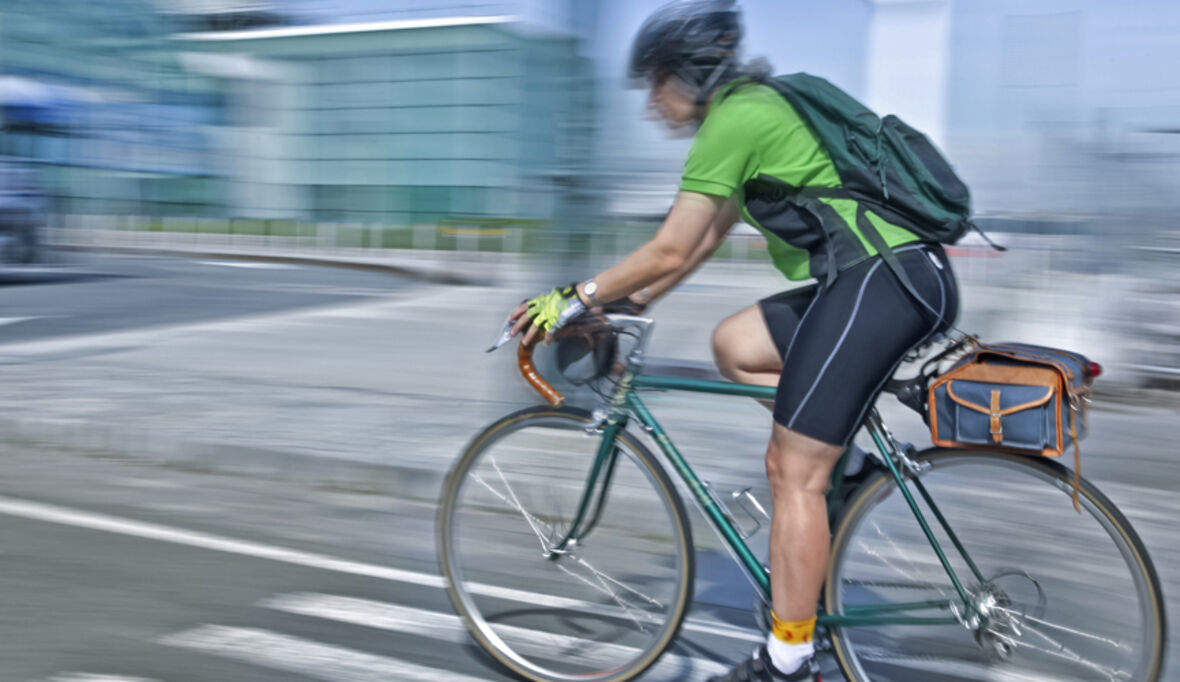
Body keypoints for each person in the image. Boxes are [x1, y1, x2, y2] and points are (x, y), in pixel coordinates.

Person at [508, 1, 960, 680]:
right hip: (887, 280)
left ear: (687, 76)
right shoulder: (753, 113)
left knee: (790, 470)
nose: (650, 105)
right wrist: (624, 307)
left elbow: (669, 248)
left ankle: (787, 660)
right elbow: (695, 248)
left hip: (883, 282)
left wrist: (574, 297)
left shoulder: (736, 119)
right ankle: (848, 464)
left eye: (655, 85)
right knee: (736, 345)